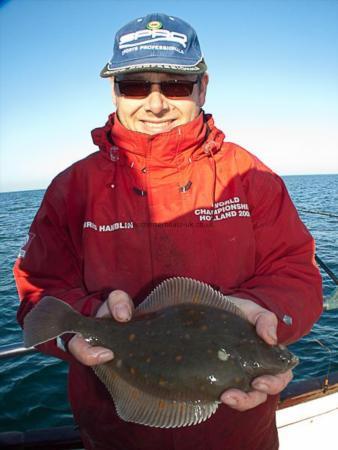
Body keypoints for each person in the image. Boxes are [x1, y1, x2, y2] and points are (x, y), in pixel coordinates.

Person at [14, 12, 323, 450]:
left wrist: (262, 311)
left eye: (175, 86)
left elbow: (296, 273)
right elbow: (38, 290)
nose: (155, 103)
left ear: (203, 86)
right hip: (113, 433)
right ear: (114, 90)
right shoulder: (72, 188)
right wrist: (78, 325)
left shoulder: (249, 176)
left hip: (238, 434)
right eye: (136, 85)